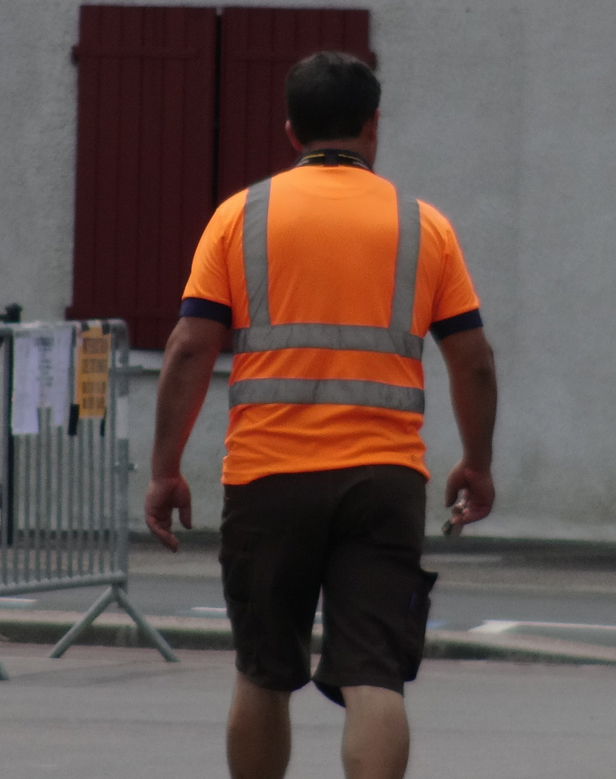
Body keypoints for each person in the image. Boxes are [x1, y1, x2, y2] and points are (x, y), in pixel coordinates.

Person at [145, 51, 497, 779]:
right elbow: (475, 361)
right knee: (375, 675)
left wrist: (165, 469)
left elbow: (186, 352)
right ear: (373, 127)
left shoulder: (239, 218)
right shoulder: (423, 226)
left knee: (263, 671)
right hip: (384, 479)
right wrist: (477, 462)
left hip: (268, 475)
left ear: (289, 130)